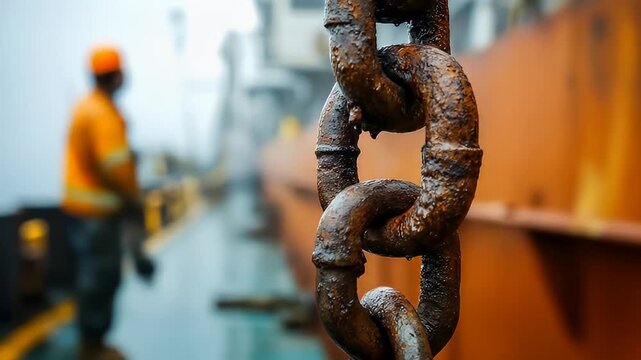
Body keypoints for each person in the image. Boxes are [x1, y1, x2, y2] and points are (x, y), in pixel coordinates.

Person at [62, 46, 152, 360]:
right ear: (116, 76)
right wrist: (133, 198)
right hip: (96, 214)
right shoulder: (102, 114)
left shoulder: (88, 107)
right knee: (101, 276)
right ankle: (92, 347)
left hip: (83, 211)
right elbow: (115, 167)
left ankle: (92, 342)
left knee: (94, 275)